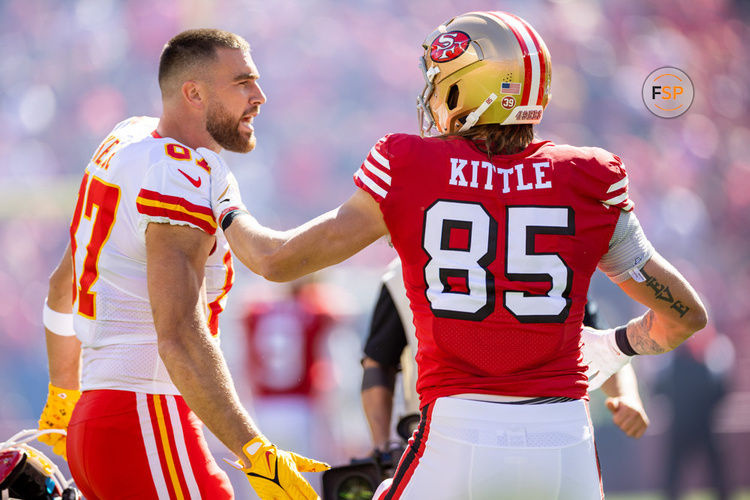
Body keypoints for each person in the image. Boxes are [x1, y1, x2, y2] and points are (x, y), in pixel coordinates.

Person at [208, 11, 708, 499]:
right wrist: (616, 344)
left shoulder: (410, 165)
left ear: (464, 88)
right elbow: (684, 317)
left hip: (457, 436)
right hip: (565, 442)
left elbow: (274, 260)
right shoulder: (588, 175)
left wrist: (225, 202)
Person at [36, 29, 328, 500]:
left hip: (96, 421)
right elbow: (179, 334)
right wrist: (255, 452)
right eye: (242, 82)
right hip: (145, 417)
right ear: (193, 92)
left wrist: (63, 398)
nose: (259, 96)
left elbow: (60, 288)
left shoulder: (126, 138)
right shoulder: (180, 172)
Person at [360, 258, 649, 458]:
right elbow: (604, 344)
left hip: (449, 436)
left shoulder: (404, 270)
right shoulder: (551, 254)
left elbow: (378, 364)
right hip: (536, 431)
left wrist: (381, 444)